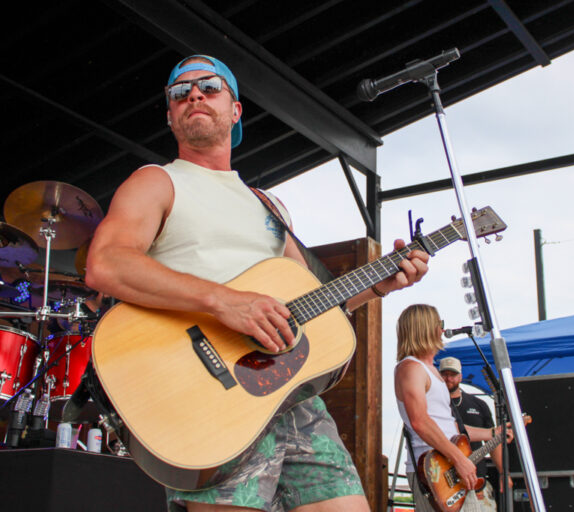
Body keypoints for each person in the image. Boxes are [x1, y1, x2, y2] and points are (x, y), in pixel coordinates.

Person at [85, 54, 430, 512]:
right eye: (179, 92)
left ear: (235, 110)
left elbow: (312, 306)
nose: (194, 95)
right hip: (211, 395)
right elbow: (105, 264)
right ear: (170, 115)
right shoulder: (157, 181)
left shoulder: (268, 206)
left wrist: (379, 285)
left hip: (291, 398)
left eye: (209, 87)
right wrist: (223, 301)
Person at [394, 305, 511, 512]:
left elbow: (451, 427)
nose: (442, 330)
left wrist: (493, 433)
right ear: (426, 328)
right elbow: (420, 421)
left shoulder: (431, 371)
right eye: (440, 324)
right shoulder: (410, 368)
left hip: (451, 468)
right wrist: (459, 459)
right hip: (433, 472)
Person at [439, 356, 507, 511]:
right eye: (445, 374)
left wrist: (503, 473)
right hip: (444, 482)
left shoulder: (479, 405)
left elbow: (493, 441)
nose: (449, 378)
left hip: (476, 482)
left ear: (460, 376)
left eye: (453, 374)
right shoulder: (436, 404)